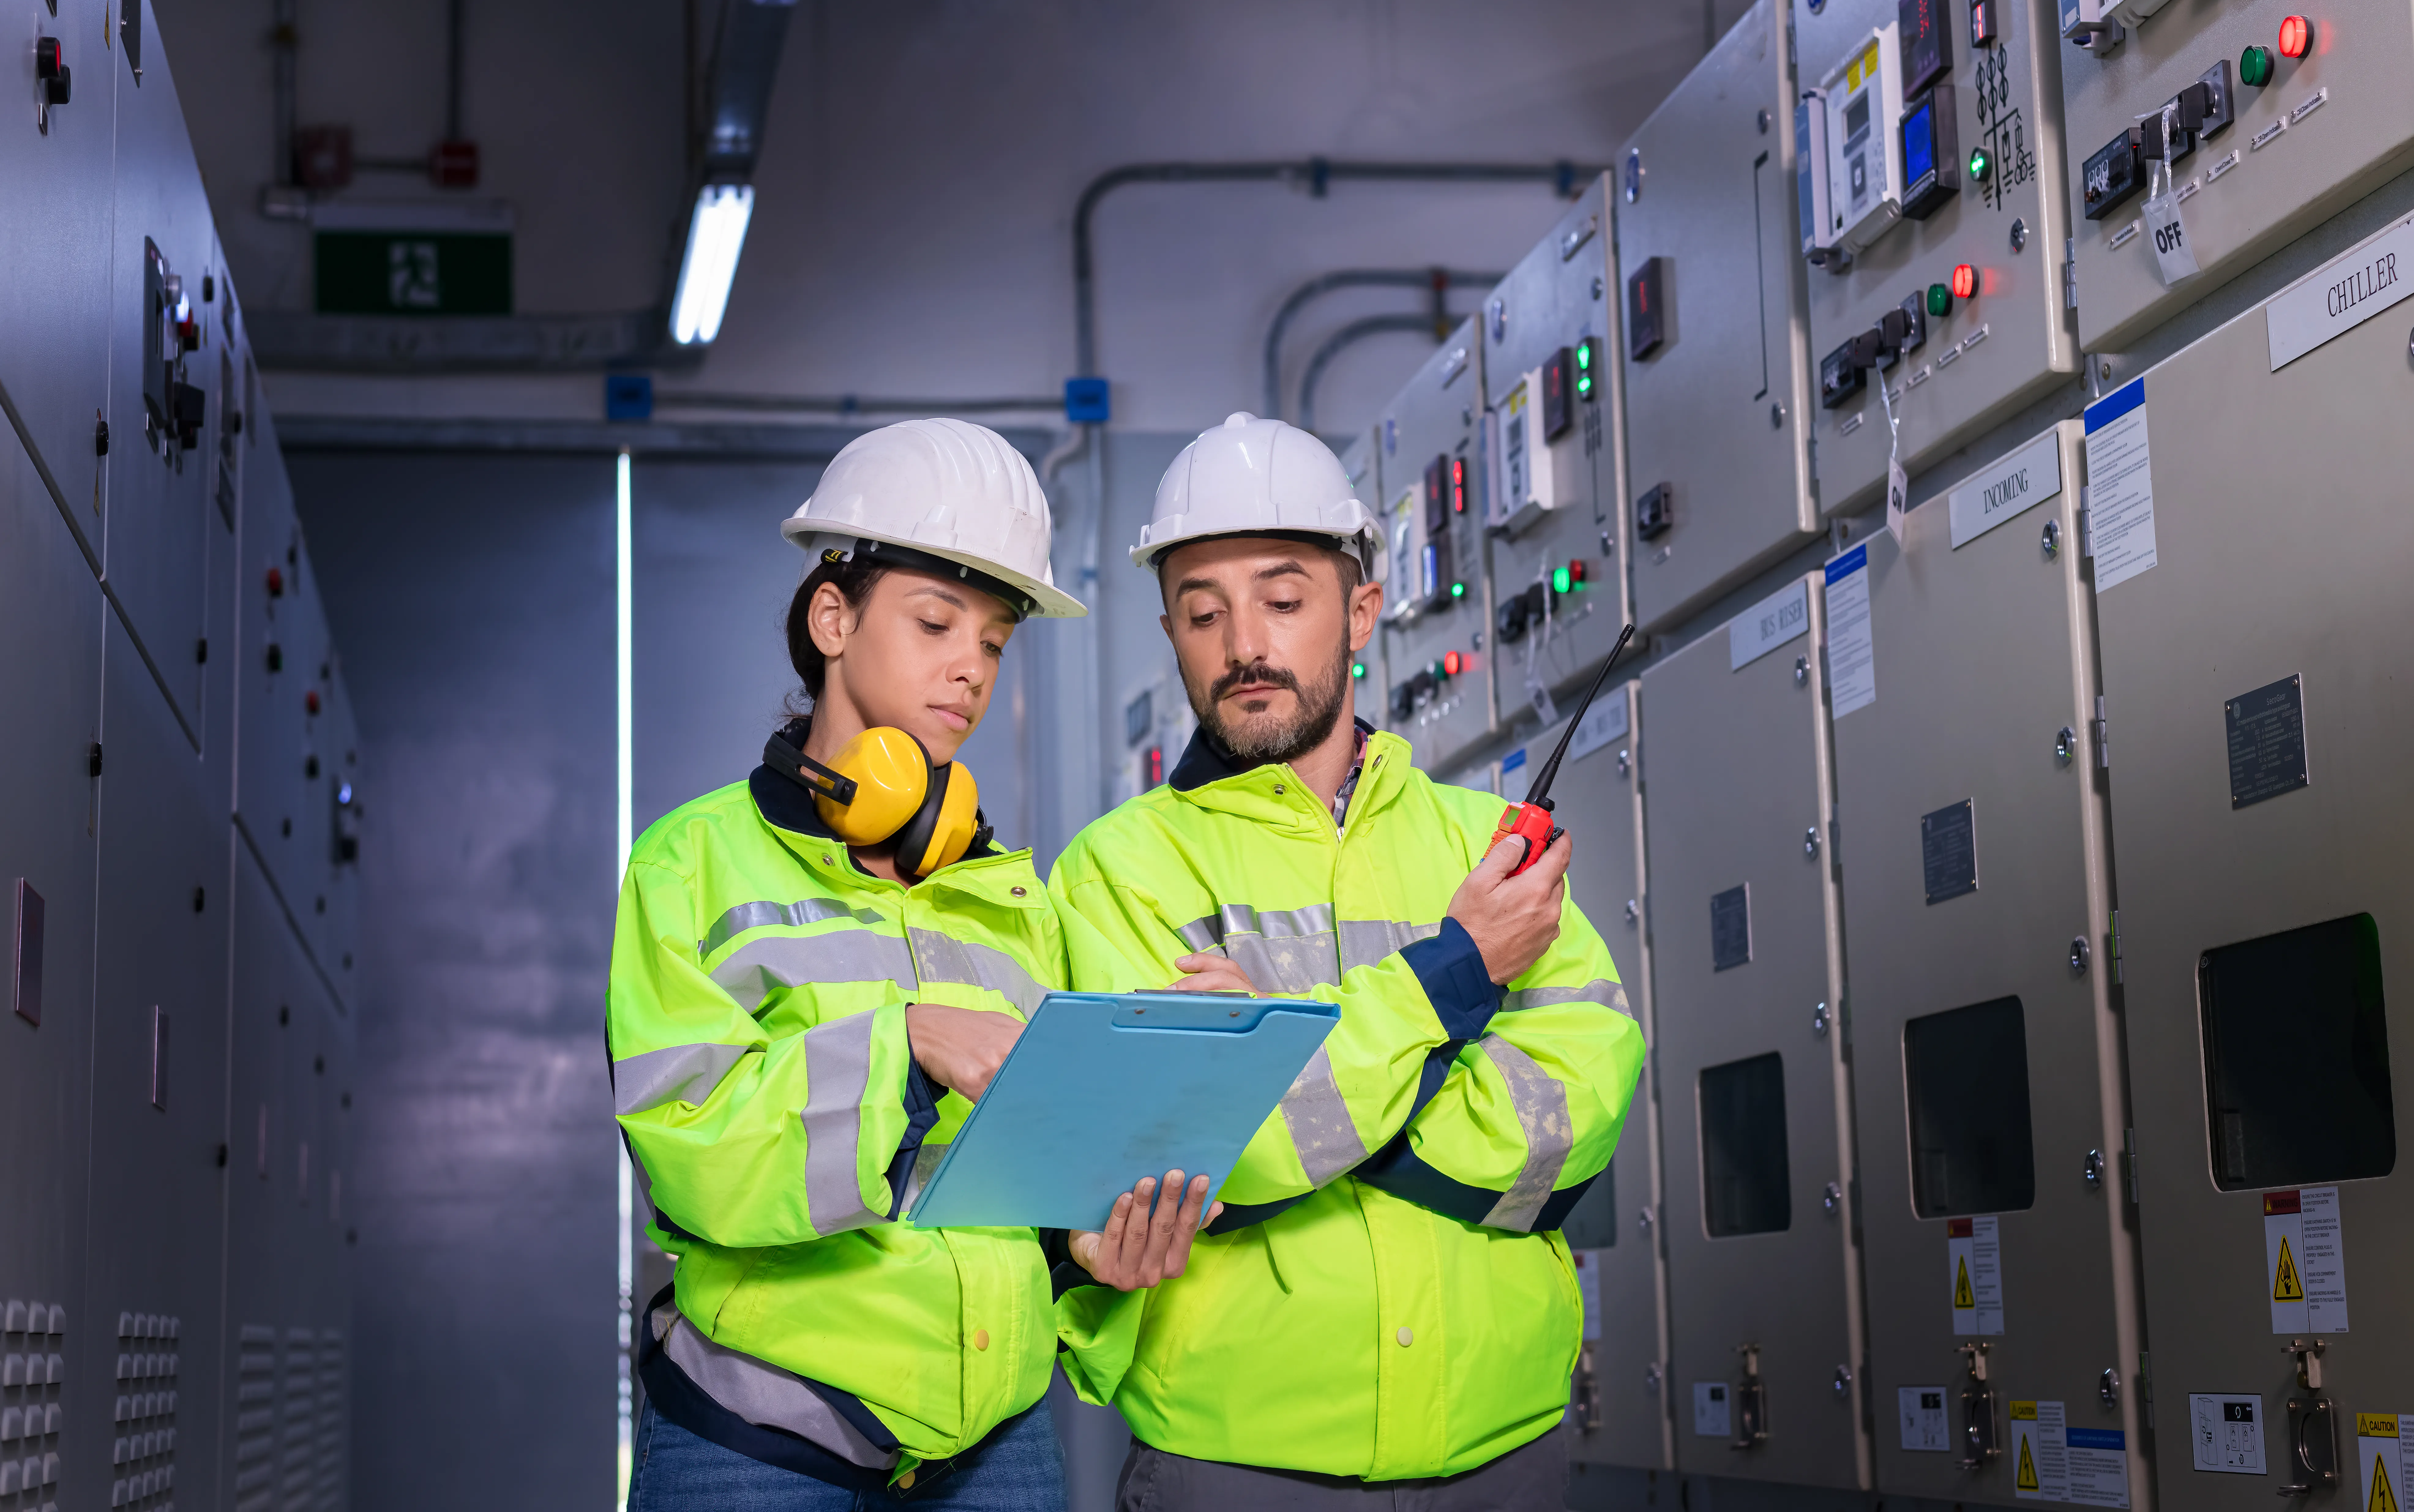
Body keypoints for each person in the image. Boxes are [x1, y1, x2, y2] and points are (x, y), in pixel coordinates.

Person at [610, 419, 1214, 1510]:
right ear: (832, 620)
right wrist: (907, 1045)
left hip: (996, 1439)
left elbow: (1034, 1174)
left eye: (994, 642)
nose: (970, 669)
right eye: (936, 623)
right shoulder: (690, 864)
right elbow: (693, 1155)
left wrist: (1091, 1244)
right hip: (762, 1436)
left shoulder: (1015, 897)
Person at [1049, 413, 1646, 1508]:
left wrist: (1283, 1056)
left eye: (1283, 601)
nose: (1244, 645)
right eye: (1203, 614)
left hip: (1503, 1451)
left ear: (1362, 611)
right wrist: (1457, 980)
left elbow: (1572, 1119)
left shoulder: (1488, 845)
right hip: (1238, 1464)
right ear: (1172, 634)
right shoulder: (1118, 872)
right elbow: (1194, 1156)